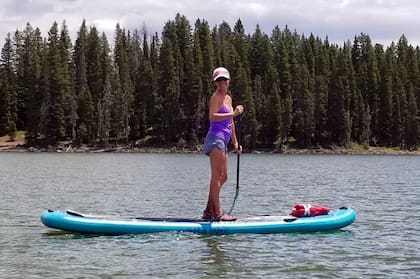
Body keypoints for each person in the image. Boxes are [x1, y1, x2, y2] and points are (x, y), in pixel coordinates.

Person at [202, 67, 244, 221]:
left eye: (224, 80)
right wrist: (233, 113)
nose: (222, 83)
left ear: (228, 81)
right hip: (215, 139)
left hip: (224, 141)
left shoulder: (228, 98)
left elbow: (230, 122)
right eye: (218, 80)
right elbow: (212, 117)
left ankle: (208, 211)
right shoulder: (216, 97)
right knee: (217, 176)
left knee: (223, 176)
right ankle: (217, 213)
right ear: (215, 83)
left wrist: (235, 143)